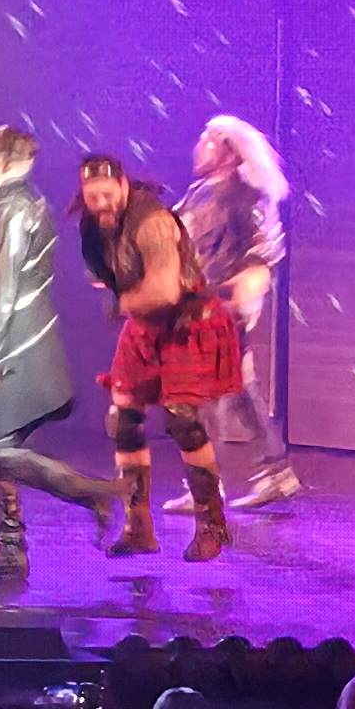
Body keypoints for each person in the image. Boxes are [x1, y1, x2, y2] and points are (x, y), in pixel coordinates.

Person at [0, 123, 120, 576]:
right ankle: (10, 548)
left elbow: (6, 286)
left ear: (8, 159)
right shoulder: (6, 205)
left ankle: (91, 493)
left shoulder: (15, 208)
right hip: (5, 344)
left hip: (16, 349)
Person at [78, 149, 239, 563]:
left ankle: (212, 524)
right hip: (144, 326)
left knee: (182, 419)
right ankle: (138, 527)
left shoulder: (152, 221)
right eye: (93, 197)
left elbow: (165, 292)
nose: (101, 203)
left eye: (108, 194)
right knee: (123, 419)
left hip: (187, 322)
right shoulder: (93, 227)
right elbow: (104, 277)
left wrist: (123, 299)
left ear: (123, 185)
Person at [187, 109, 299, 506]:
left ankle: (208, 483)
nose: (200, 146)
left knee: (204, 393)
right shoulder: (199, 192)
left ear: (231, 153)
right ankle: (274, 473)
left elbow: (260, 251)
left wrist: (244, 296)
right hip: (197, 306)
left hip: (221, 308)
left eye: (209, 140)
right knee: (234, 389)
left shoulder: (245, 196)